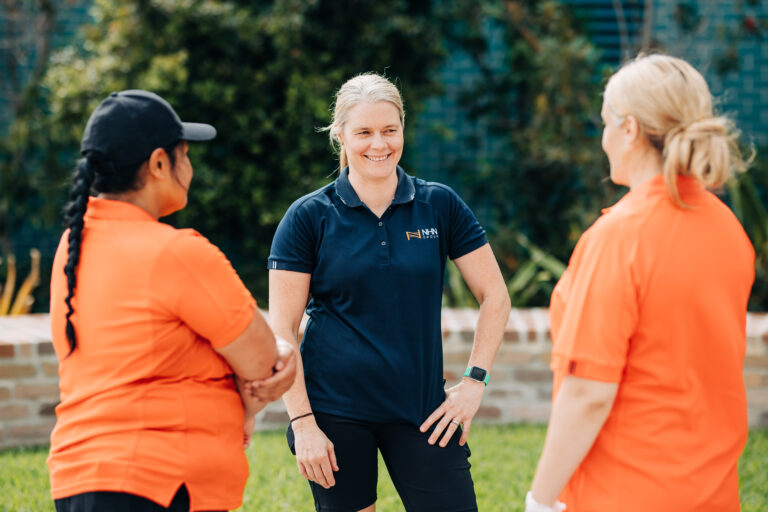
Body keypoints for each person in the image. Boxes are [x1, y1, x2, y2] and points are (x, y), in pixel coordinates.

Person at [266, 73, 510, 512]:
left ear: (402, 130)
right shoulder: (308, 217)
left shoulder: (439, 205)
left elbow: (495, 294)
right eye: (364, 132)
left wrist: (475, 382)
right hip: (333, 413)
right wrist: (303, 423)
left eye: (389, 131)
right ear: (339, 134)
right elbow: (282, 329)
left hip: (423, 411)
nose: (378, 144)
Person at [48, 90, 297, 512]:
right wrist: (282, 352)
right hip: (156, 482)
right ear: (160, 163)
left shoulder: (72, 247)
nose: (190, 167)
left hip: (79, 477)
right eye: (185, 154)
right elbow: (261, 361)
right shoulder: (176, 252)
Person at [525, 54, 755, 512]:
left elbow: (589, 391)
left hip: (624, 494)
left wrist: (539, 499)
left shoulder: (618, 238)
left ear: (629, 130)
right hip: (711, 495)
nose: (604, 138)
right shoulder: (729, 230)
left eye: (607, 122)